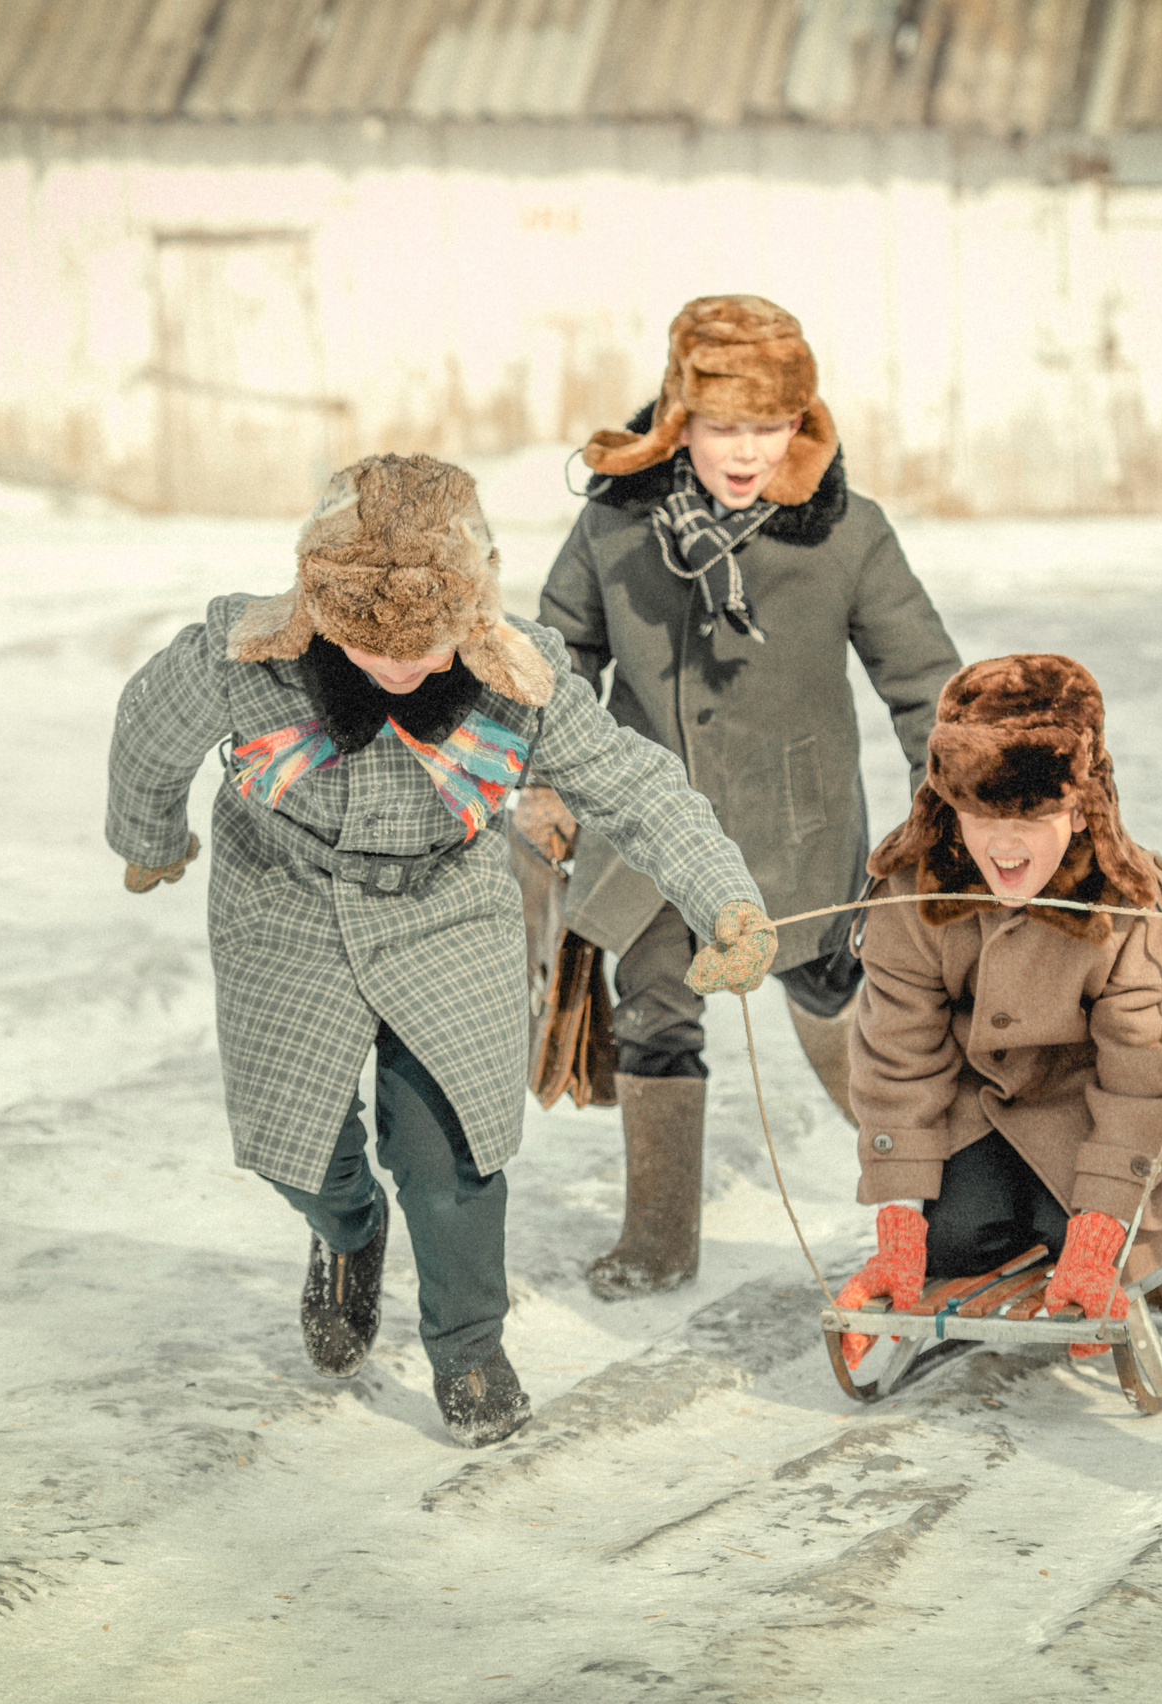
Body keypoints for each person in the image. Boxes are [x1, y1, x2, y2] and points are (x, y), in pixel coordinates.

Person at [106, 453, 777, 1448]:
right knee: (297, 1146)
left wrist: (725, 897)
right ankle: (347, 1233)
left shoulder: (522, 678)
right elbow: (146, 735)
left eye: (426, 650)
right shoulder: (238, 659)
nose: (402, 672)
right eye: (376, 651)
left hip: (445, 903)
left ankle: (469, 1351)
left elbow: (636, 788)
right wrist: (149, 837)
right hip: (282, 900)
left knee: (451, 1151)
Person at [523, 294, 962, 1301]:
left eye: (769, 426)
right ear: (679, 421)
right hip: (646, 837)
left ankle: (941, 1203)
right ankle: (656, 1236)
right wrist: (544, 779)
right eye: (724, 426)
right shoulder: (613, 528)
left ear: (801, 424)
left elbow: (925, 684)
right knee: (654, 1016)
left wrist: (951, 810)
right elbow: (554, 657)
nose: (745, 450)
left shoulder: (847, 534)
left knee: (839, 1006)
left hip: (800, 837)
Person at [836, 654, 1162, 1370]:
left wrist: (1097, 1239)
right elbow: (897, 1058)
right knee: (952, 1241)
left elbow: (1144, 1076)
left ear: (1081, 804)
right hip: (981, 1110)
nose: (1003, 844)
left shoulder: (1129, 900)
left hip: (1096, 1114)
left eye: (1031, 818)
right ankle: (1007, 1234)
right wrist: (901, 1225)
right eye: (981, 816)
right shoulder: (912, 892)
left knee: (1118, 1243)